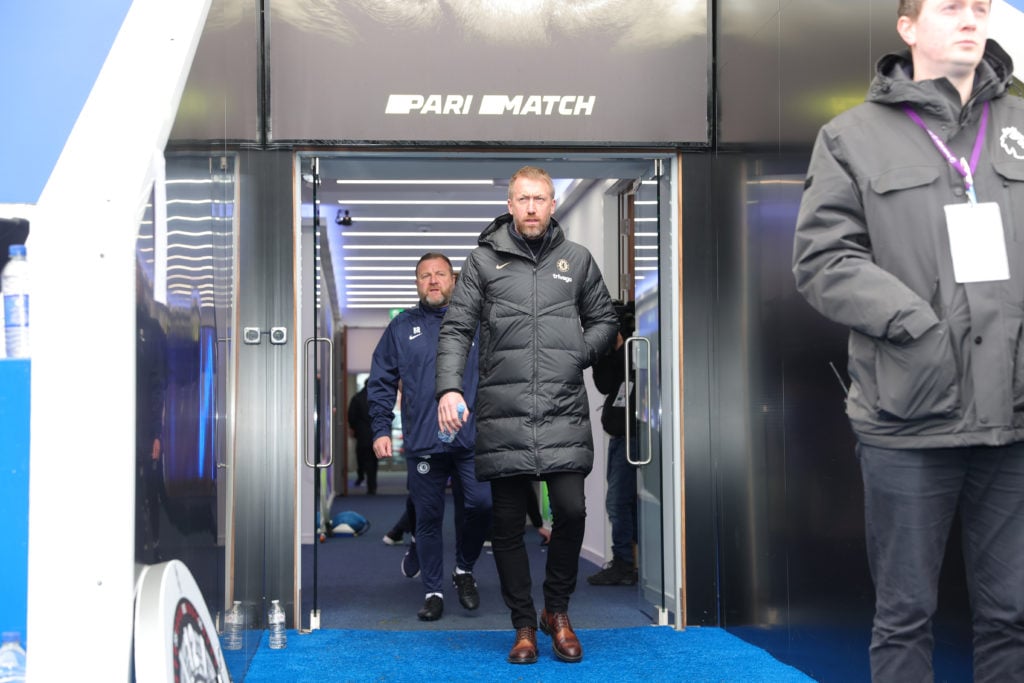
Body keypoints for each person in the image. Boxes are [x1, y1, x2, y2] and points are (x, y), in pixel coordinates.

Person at [792, 2, 1024, 680]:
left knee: (1012, 615)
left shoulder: (1020, 126)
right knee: (904, 616)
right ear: (907, 27)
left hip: (1013, 417)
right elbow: (823, 260)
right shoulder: (851, 136)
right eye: (951, 6)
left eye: (980, 6)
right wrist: (915, 321)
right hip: (908, 417)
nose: (971, 18)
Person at [436, 166, 619, 664]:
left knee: (573, 512)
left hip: (561, 406)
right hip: (504, 409)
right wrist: (449, 388)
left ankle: (555, 611)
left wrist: (580, 352)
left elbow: (605, 319)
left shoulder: (576, 260)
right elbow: (455, 329)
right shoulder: (482, 262)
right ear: (510, 204)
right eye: (523, 199)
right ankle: (522, 624)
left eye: (541, 198)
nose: (533, 207)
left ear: (553, 203)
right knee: (508, 523)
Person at [369, 252, 491, 622]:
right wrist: (379, 428)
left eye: (440, 274)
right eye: (425, 275)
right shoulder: (402, 327)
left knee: (482, 504)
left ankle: (464, 569)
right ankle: (434, 589)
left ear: (453, 280)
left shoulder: (476, 323)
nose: (433, 281)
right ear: (417, 283)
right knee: (428, 515)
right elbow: (382, 379)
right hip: (424, 440)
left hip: (472, 439)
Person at [587, 301, 638, 586]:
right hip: (621, 436)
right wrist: (606, 351)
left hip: (641, 434)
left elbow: (638, 372)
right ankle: (626, 562)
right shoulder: (605, 352)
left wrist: (622, 346)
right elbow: (606, 385)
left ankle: (624, 563)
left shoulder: (638, 345)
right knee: (620, 503)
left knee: (619, 503)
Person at [347, 382, 377, 494]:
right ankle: (372, 485)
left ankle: (361, 477)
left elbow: (351, 416)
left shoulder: (357, 397)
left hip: (362, 435)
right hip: (375, 434)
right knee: (373, 462)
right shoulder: (375, 398)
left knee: (362, 458)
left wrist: (354, 428)